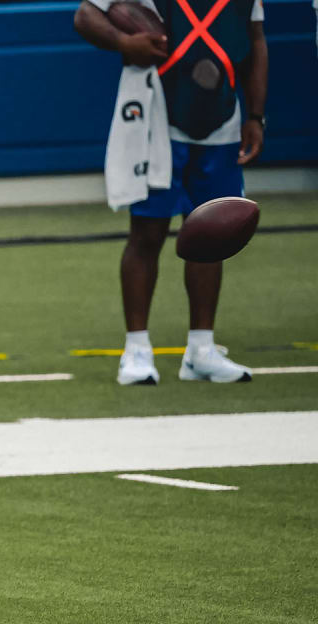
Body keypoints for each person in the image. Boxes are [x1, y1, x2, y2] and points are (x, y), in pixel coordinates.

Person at [74, 0, 266, 385]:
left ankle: (201, 350)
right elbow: (85, 15)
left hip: (221, 119)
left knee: (213, 236)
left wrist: (255, 115)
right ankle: (137, 350)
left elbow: (255, 40)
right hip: (156, 114)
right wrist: (123, 42)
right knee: (147, 233)